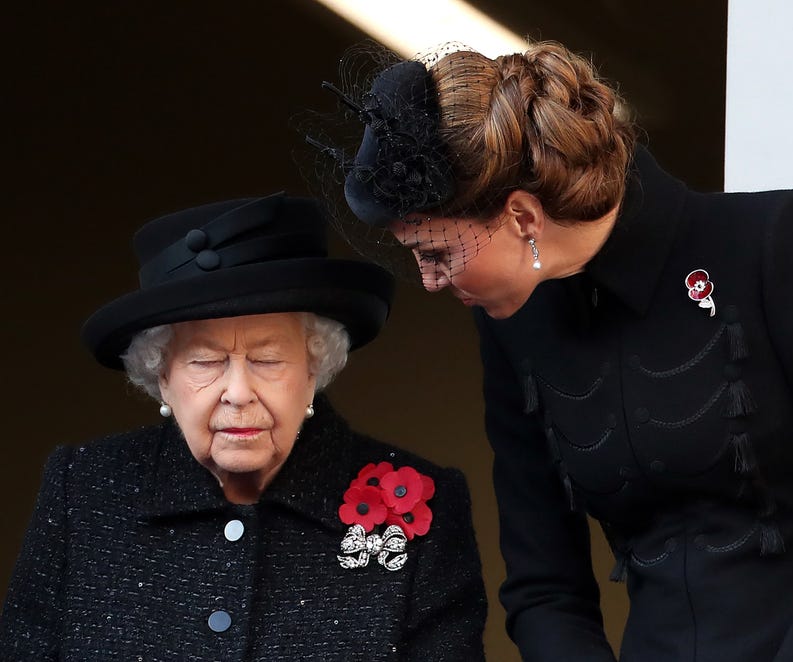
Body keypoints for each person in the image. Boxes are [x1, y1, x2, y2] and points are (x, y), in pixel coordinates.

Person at [299, 42, 793, 661]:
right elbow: (543, 586)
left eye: (439, 253)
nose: (430, 281)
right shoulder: (514, 326)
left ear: (522, 217)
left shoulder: (774, 241)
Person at [0, 192, 487, 661]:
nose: (238, 392)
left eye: (268, 358)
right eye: (206, 361)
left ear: (314, 368)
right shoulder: (83, 489)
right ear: (162, 377)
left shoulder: (424, 504)